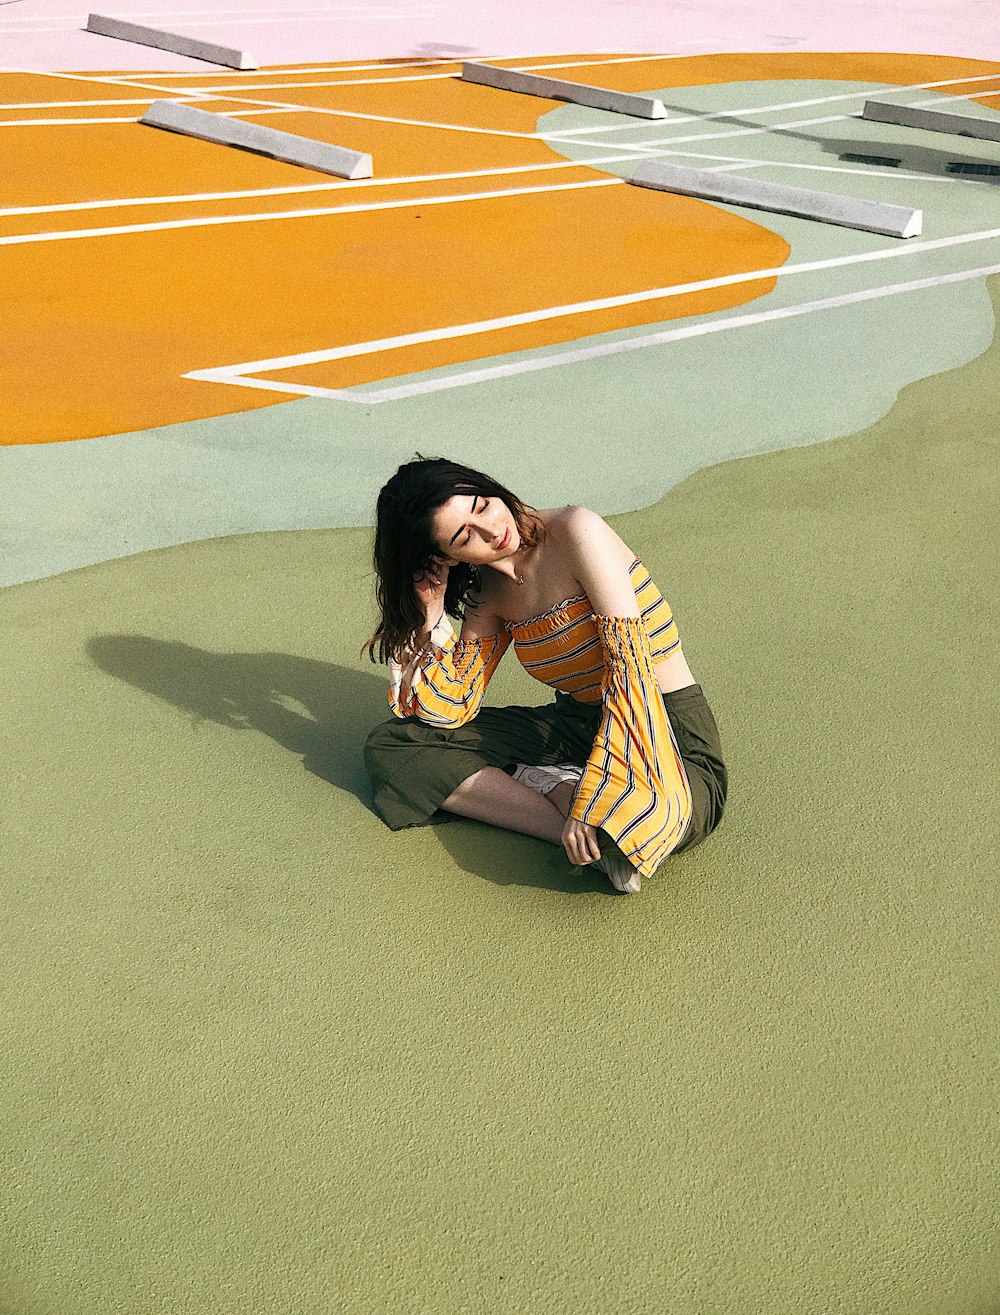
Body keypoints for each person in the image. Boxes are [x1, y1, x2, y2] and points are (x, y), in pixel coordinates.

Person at [363, 456, 727, 894]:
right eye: (465, 536)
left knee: (643, 825)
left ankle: (580, 807)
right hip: (572, 728)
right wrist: (432, 616)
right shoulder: (486, 594)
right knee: (396, 746)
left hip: (663, 728)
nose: (492, 530)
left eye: (482, 506)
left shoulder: (577, 530)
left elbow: (630, 672)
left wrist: (597, 790)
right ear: (444, 558)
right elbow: (451, 708)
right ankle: (565, 813)